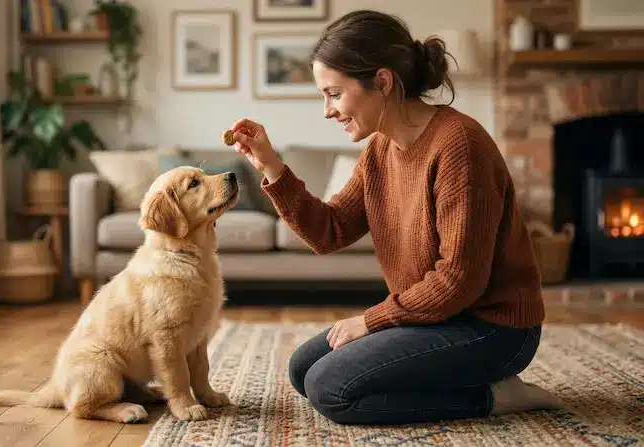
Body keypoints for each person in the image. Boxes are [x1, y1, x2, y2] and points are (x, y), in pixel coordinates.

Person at [227, 10, 564, 425]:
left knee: (329, 390)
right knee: (303, 370)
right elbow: (329, 233)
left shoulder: (459, 145)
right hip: (437, 319)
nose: (327, 110)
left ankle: (493, 394)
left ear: (382, 82)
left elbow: (458, 280)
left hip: (493, 329)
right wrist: (271, 166)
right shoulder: (380, 151)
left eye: (334, 93)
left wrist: (371, 321)